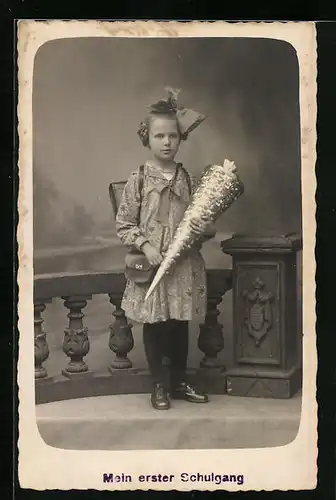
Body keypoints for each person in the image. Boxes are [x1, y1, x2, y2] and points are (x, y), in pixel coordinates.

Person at [116, 88, 216, 410]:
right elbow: (124, 224)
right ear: (147, 138)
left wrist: (200, 231)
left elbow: (194, 219)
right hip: (153, 264)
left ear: (180, 138)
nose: (167, 142)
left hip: (181, 265)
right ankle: (158, 384)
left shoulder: (186, 178)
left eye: (172, 136)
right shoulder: (140, 178)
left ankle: (178, 382)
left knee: (178, 325)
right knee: (156, 325)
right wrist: (145, 246)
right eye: (159, 136)